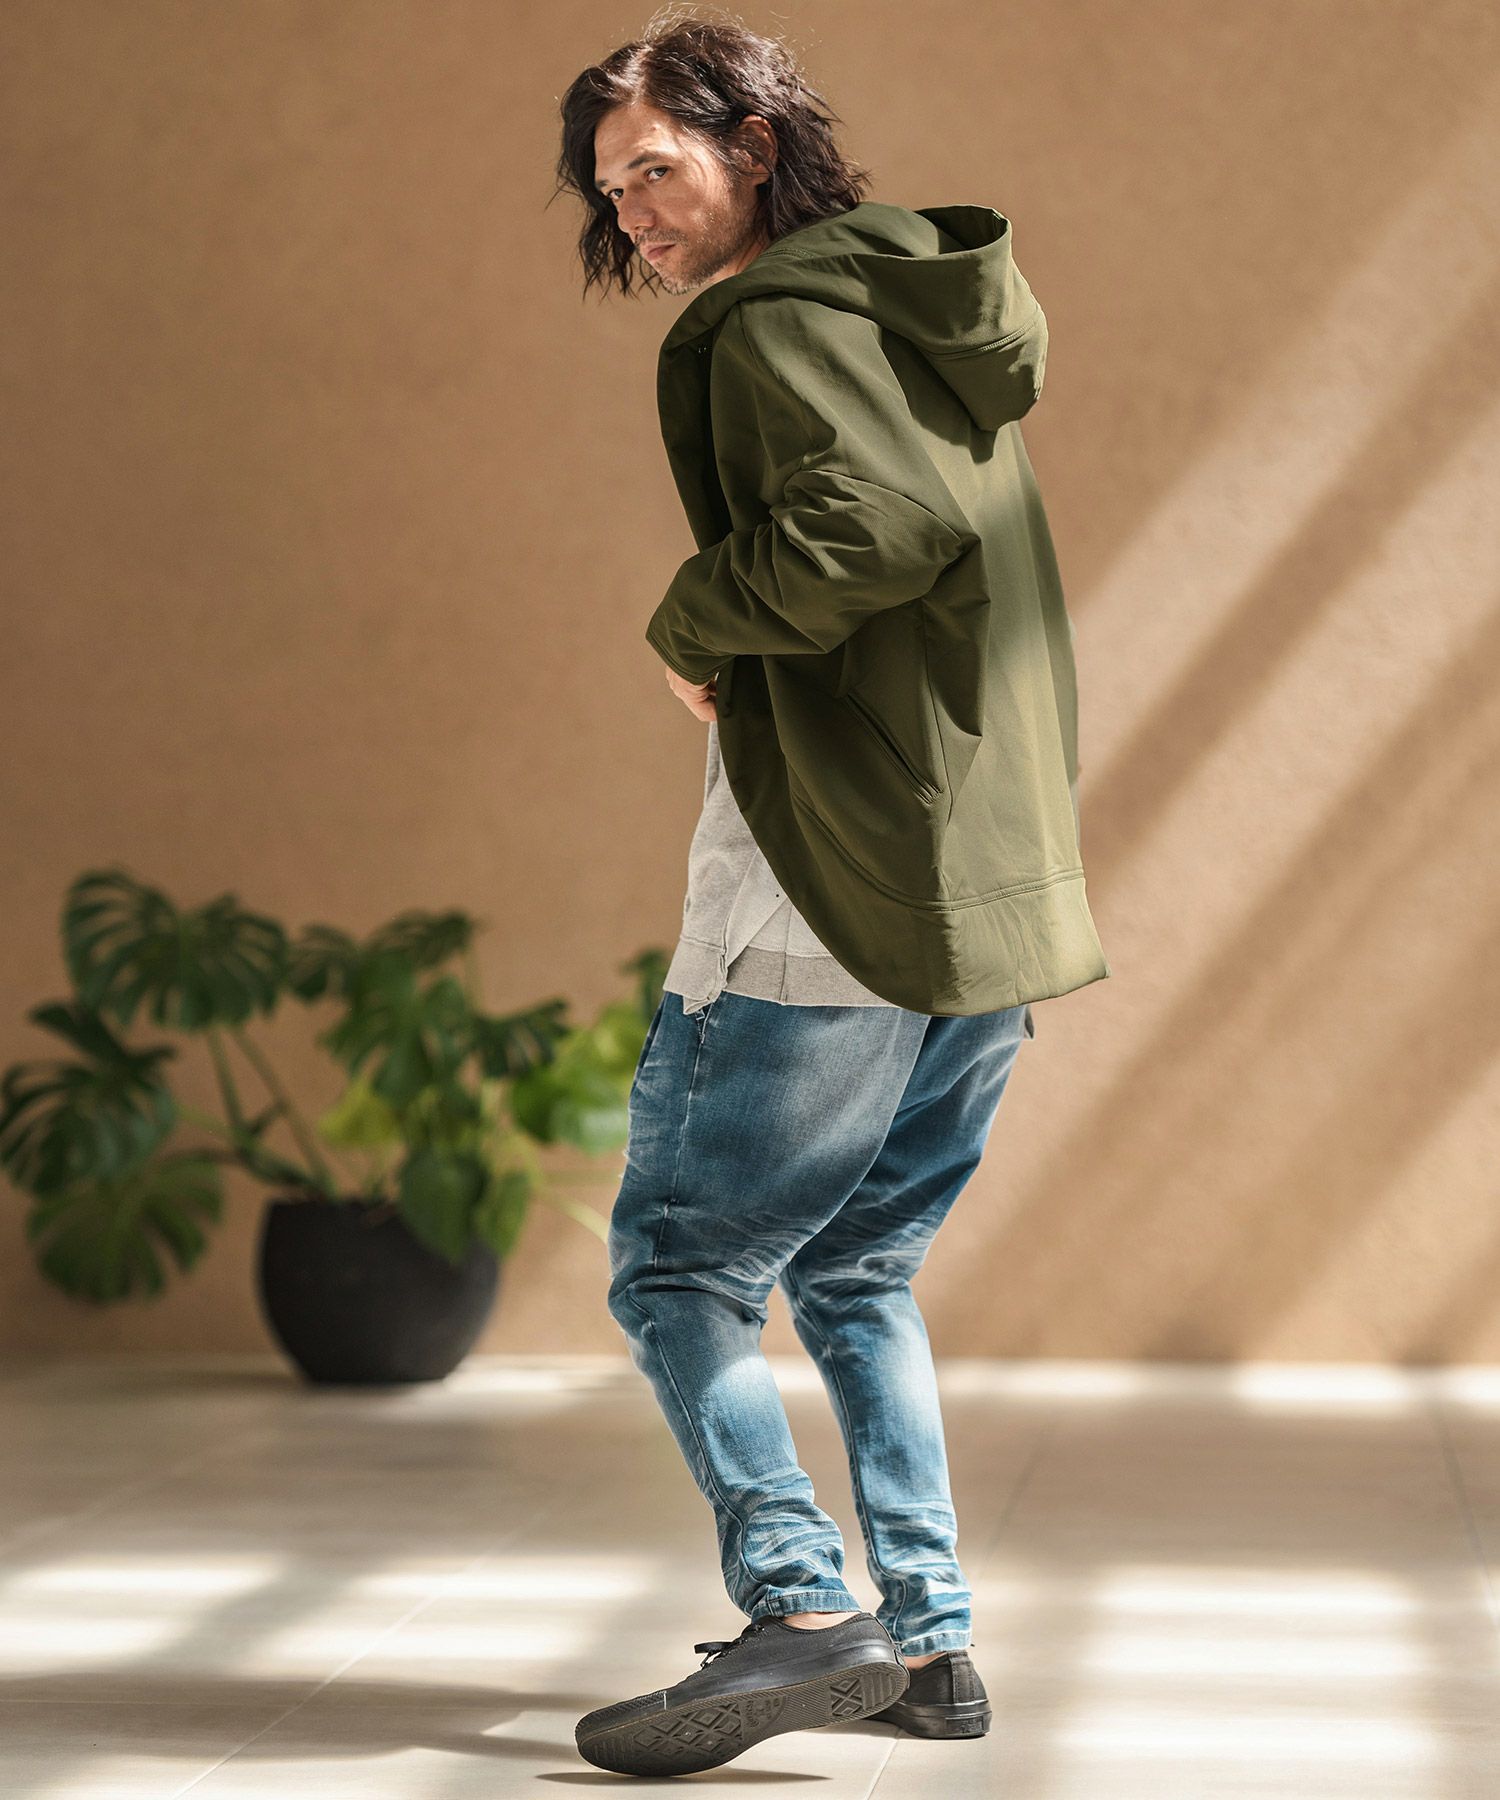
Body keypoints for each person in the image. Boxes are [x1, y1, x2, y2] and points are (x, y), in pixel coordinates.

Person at [554, 12, 1109, 1779]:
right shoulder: (910, 318)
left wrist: (690, 620)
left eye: (658, 167)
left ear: (755, 147)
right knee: (860, 1271)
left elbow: (876, 527)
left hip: (832, 877)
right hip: (973, 889)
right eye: (611, 189)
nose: (635, 210)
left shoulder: (776, 320)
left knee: (680, 1266)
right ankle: (931, 1648)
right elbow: (929, 527)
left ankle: (803, 1610)